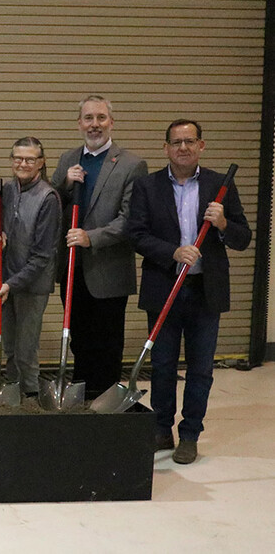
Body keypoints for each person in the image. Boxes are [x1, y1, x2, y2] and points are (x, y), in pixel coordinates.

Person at [128, 119, 250, 464]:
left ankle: (190, 434)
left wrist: (224, 223)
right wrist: (173, 252)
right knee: (163, 365)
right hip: (164, 287)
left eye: (189, 141)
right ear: (165, 147)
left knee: (200, 368)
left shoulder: (220, 185)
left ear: (201, 146)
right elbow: (136, 234)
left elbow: (243, 238)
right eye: (176, 142)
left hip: (204, 290)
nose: (183, 147)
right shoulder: (147, 186)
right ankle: (161, 428)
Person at [50, 95, 147, 399]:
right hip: (72, 269)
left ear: (111, 122)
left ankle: (105, 406)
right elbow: (50, 204)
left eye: (101, 118)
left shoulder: (132, 164)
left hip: (108, 270)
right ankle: (82, 404)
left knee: (106, 344)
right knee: (79, 341)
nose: (95, 125)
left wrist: (92, 237)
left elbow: (131, 219)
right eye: (88, 118)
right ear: (79, 123)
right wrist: (65, 184)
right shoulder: (68, 159)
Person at [0, 137, 61, 395]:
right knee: (9, 349)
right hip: (6, 279)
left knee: (25, 353)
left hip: (31, 285)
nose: (23, 163)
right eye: (18, 158)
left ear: (40, 163)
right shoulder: (7, 190)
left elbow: (43, 256)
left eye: (30, 159)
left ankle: (30, 404)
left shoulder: (48, 198)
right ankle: (12, 399)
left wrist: (12, 283)